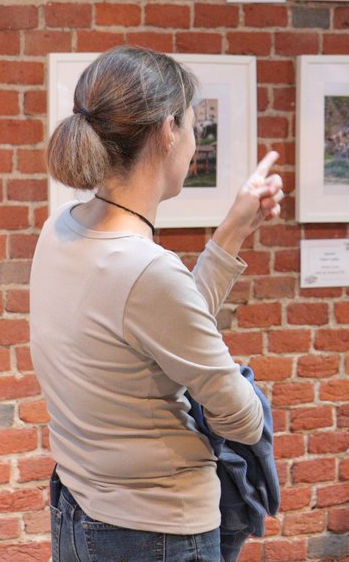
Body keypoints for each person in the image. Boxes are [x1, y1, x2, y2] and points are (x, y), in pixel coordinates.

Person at [30, 45, 284, 562]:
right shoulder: (146, 270)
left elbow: (160, 323)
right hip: (158, 533)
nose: (194, 144)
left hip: (80, 512)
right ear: (169, 130)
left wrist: (232, 232)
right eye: (193, 127)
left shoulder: (59, 229)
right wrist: (245, 390)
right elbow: (241, 420)